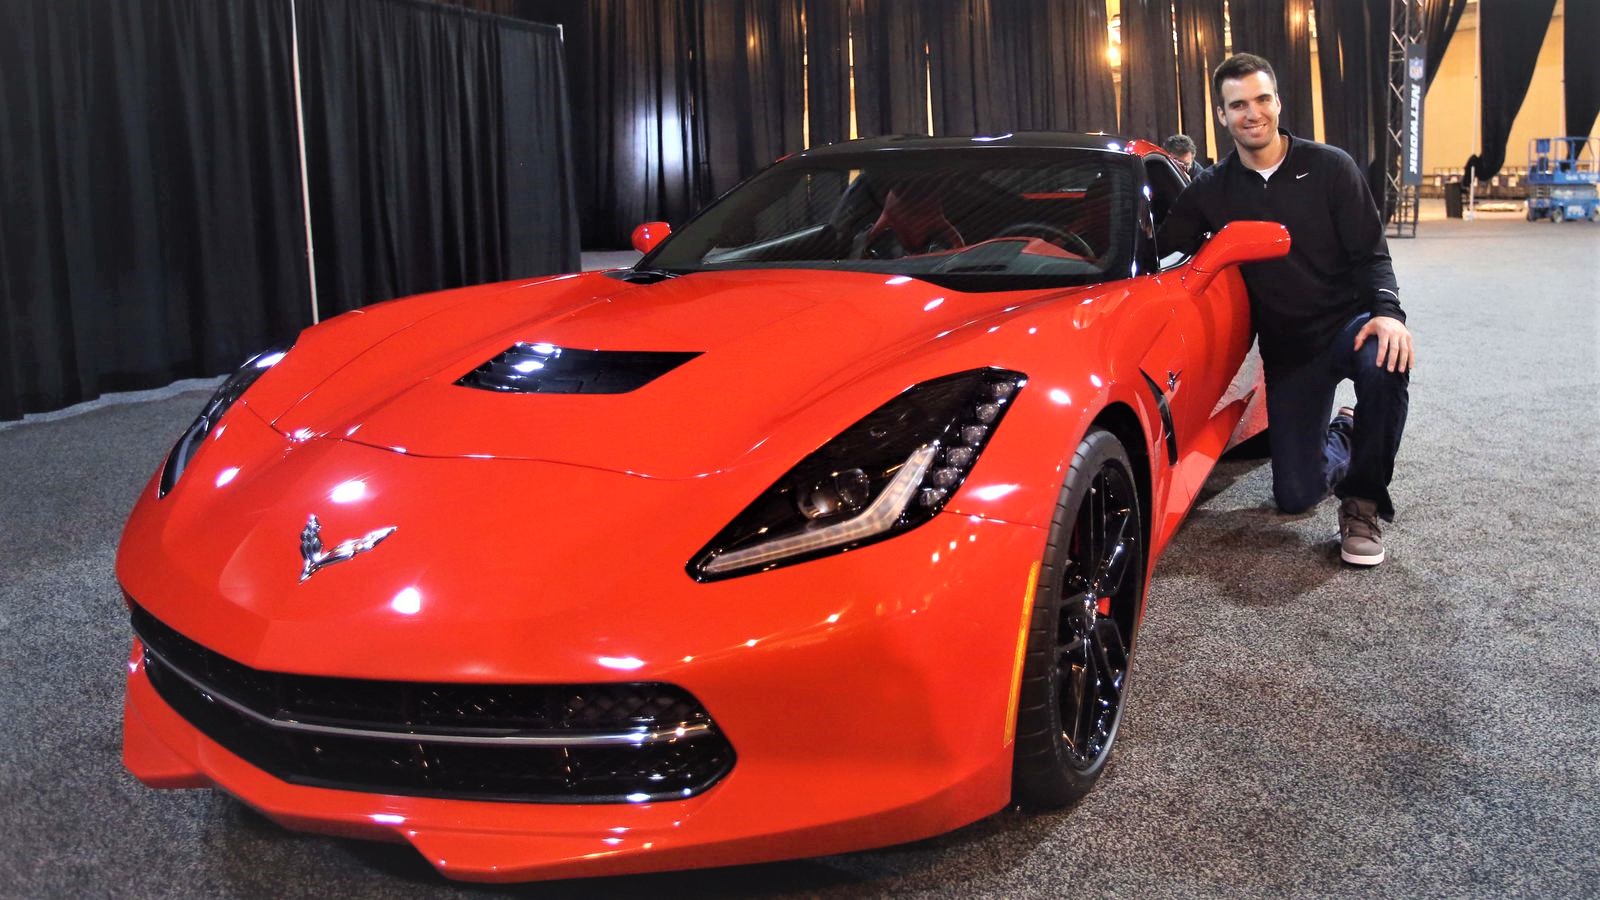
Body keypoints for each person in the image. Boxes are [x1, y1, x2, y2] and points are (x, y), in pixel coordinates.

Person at [1159, 53, 1414, 566]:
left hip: (1348, 325)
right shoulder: (1212, 189)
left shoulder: (1330, 167)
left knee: (1386, 359)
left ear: (1277, 101)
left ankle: (1362, 505)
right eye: (1237, 105)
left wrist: (1388, 313)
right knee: (1295, 496)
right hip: (1288, 350)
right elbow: (1160, 247)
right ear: (1221, 115)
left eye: (1261, 99)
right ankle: (1346, 429)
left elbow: (1372, 256)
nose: (1251, 113)